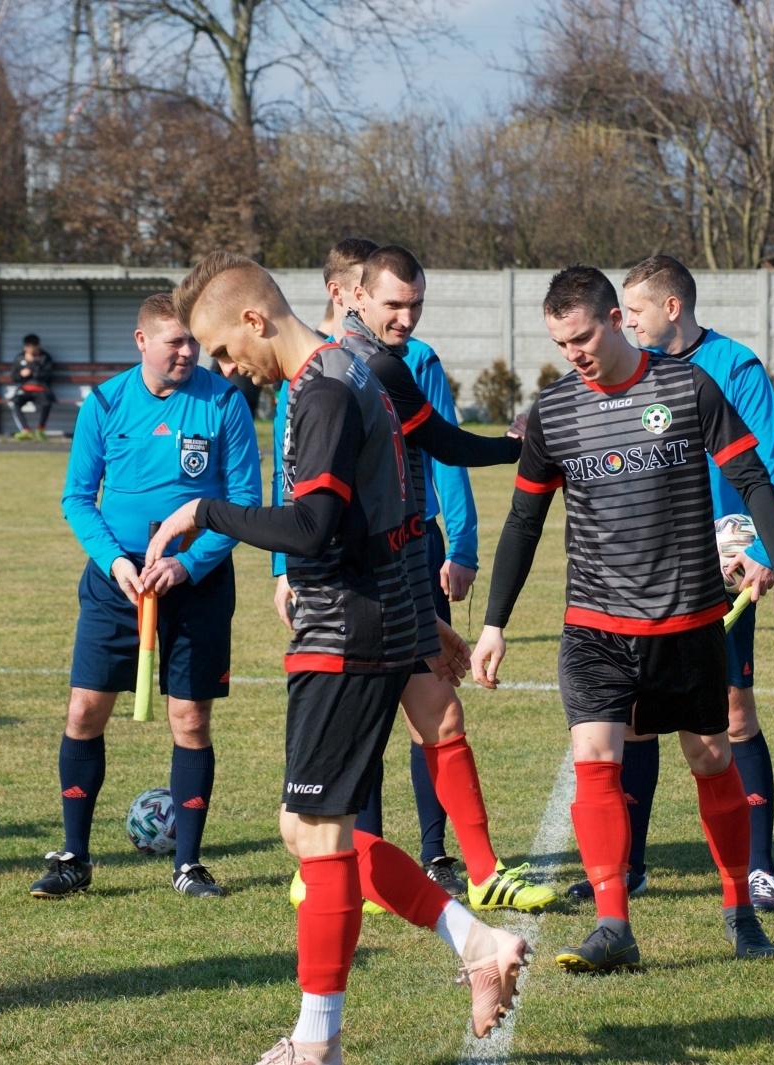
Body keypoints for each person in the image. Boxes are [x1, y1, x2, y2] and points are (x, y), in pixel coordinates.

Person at [147, 251, 529, 1065]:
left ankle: (318, 1042)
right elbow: (390, 515)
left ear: (253, 321)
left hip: (341, 639)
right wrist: (424, 627)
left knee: (318, 836)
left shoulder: (320, 388)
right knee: (310, 828)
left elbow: (317, 528)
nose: (225, 368)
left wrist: (206, 512)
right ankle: (472, 940)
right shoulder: (350, 370)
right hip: (372, 627)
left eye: (221, 351)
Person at [471, 266, 774, 973]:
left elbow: (751, 478)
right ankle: (613, 923)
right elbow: (523, 521)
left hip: (686, 620)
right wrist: (495, 623)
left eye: (582, 336)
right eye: (559, 342)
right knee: (595, 758)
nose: (573, 352)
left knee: (709, 757)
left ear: (614, 319)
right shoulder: (554, 412)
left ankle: (738, 904)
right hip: (596, 626)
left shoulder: (688, 387)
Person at [276, 240, 554, 912]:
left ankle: (481, 871)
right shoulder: (346, 365)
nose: (406, 316)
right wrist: (519, 448)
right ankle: (323, 863)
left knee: (441, 715)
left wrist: (512, 450)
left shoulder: (384, 362)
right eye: (394, 303)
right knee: (364, 737)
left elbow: (433, 442)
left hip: (398, 571)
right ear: (355, 296)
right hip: (352, 585)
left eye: (416, 303)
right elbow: (309, 481)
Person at [32, 294, 261, 901]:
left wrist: (186, 565)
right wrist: (114, 562)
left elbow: (242, 506)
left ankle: (188, 865)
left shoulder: (225, 402)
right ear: (141, 342)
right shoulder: (105, 402)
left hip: (196, 582)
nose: (187, 352)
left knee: (189, 718)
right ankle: (74, 857)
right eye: (173, 342)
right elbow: (78, 498)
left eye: (191, 342)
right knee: (84, 712)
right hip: (117, 584)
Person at [613, 254, 774, 913]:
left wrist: (757, 552)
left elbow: (763, 468)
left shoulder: (735, 367)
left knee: (732, 712)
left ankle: (760, 869)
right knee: (634, 719)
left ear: (671, 308)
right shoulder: (631, 370)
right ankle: (628, 867)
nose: (624, 323)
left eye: (633, 312)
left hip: (722, 573)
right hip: (645, 575)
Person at [6, 334, 56, 440]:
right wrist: (21, 374)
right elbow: (14, 377)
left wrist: (33, 365)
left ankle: (40, 429)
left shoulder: (45, 358)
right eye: (27, 346)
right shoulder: (19, 358)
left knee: (47, 403)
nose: (28, 349)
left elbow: (48, 375)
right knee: (15, 402)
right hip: (25, 389)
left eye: (31, 347)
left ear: (37, 346)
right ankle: (26, 430)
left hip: (41, 388)